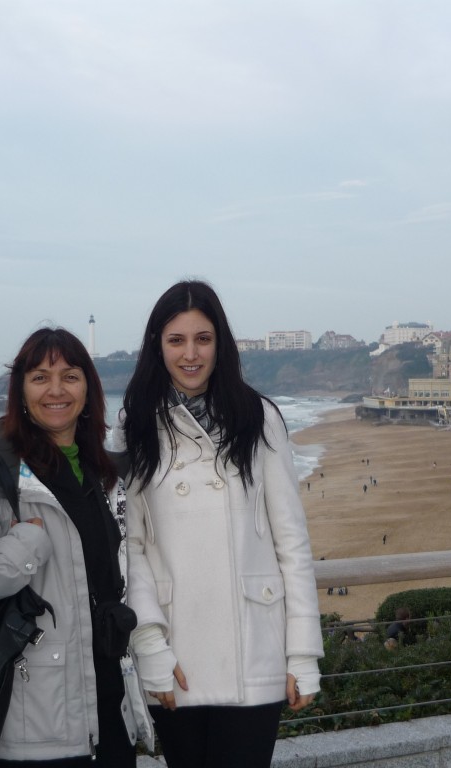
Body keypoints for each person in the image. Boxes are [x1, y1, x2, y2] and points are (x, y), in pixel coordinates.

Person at [117, 280, 323, 768]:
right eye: (176, 340)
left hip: (254, 645)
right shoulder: (136, 424)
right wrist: (150, 646)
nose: (191, 354)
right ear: (158, 346)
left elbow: (291, 542)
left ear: (220, 343)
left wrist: (303, 656)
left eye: (203, 339)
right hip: (177, 651)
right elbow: (131, 545)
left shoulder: (259, 417)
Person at [0, 328, 144, 767]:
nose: (55, 390)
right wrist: (22, 547)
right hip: (34, 717)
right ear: (21, 391)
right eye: (39, 377)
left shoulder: (103, 474)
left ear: (88, 388)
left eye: (70, 376)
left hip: (107, 704)